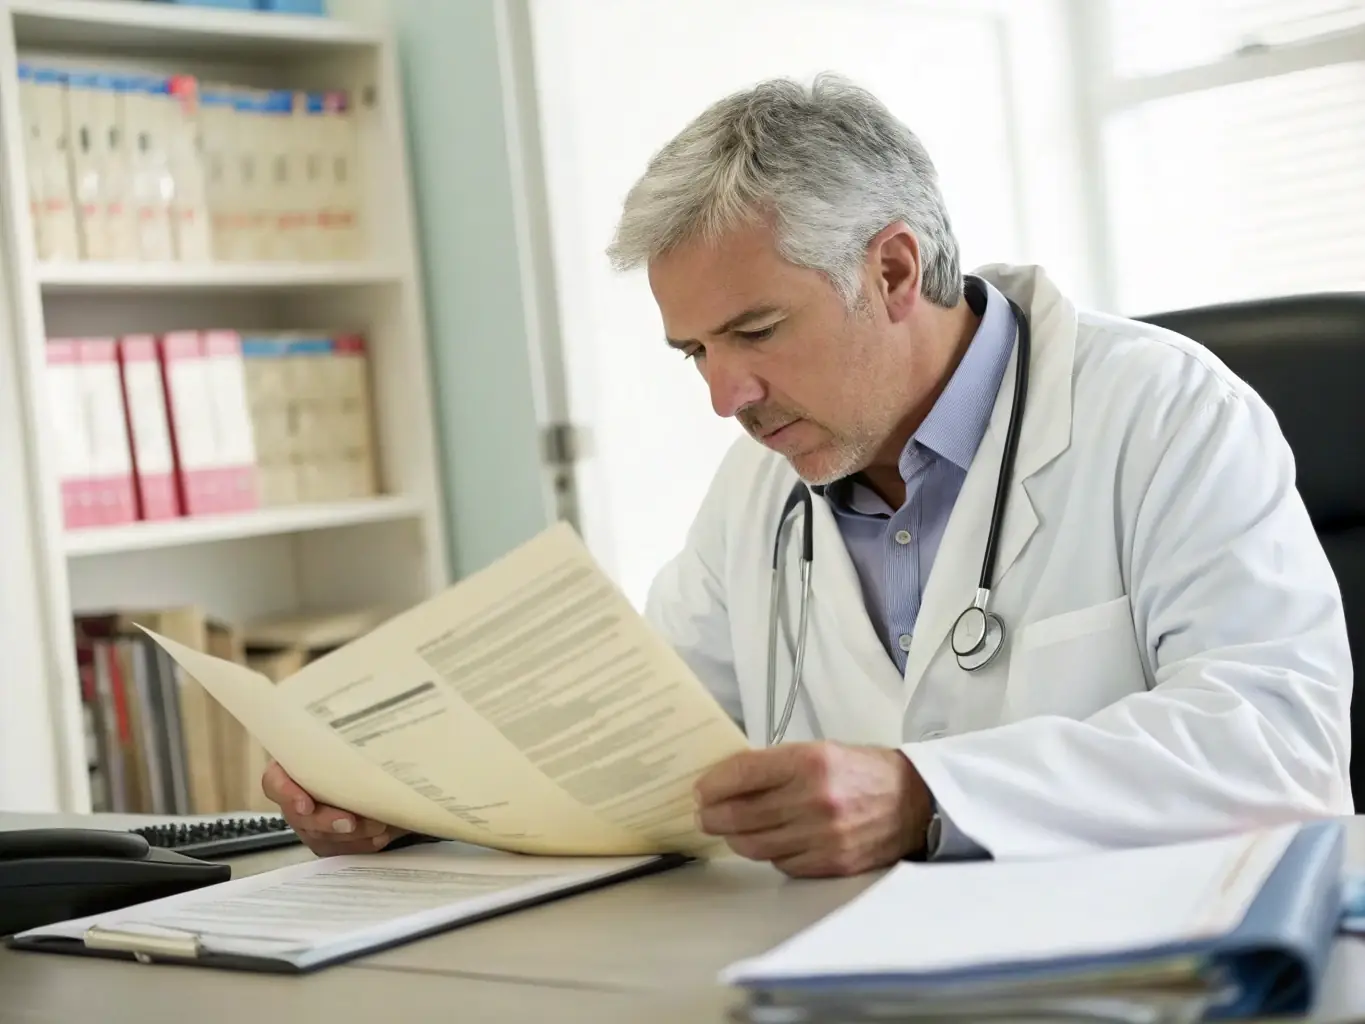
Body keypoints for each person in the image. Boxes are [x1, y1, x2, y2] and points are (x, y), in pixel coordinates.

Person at [263, 74, 1353, 874]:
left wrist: (932, 793)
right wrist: (416, 796)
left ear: (891, 268)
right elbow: (639, 739)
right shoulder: (762, 489)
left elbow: (1281, 744)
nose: (723, 397)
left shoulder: (1165, 414)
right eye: (696, 352)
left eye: (756, 330)